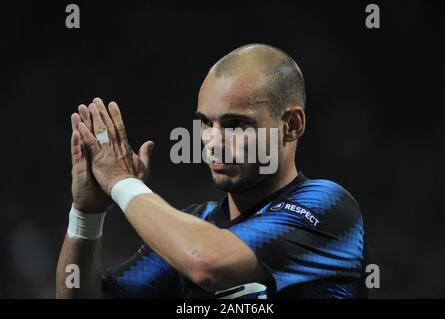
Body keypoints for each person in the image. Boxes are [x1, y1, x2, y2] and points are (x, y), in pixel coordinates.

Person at [56, 43, 368, 299]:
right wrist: (86, 214)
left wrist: (122, 183)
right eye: (205, 122)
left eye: (236, 124)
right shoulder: (194, 225)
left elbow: (208, 263)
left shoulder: (328, 207)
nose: (213, 141)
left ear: (291, 126)